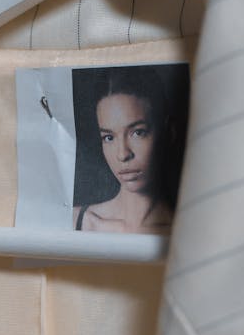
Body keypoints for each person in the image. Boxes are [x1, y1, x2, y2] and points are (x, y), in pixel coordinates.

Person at [72, 66, 180, 234]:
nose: (122, 154)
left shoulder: (190, 230)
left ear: (169, 133)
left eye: (138, 133)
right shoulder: (76, 221)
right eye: (109, 137)